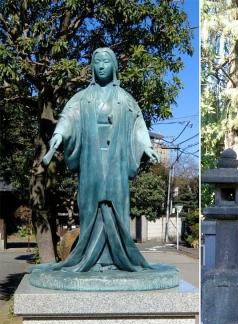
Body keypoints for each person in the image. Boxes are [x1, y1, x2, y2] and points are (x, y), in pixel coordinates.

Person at [38, 47, 160, 273]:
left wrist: (146, 146)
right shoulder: (82, 98)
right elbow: (68, 118)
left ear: (114, 66)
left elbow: (137, 125)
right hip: (91, 162)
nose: (102, 65)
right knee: (89, 209)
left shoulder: (125, 99)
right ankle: (90, 260)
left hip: (116, 164)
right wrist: (58, 135)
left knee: (116, 211)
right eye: (97, 61)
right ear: (92, 67)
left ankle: (116, 260)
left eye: (106, 61)